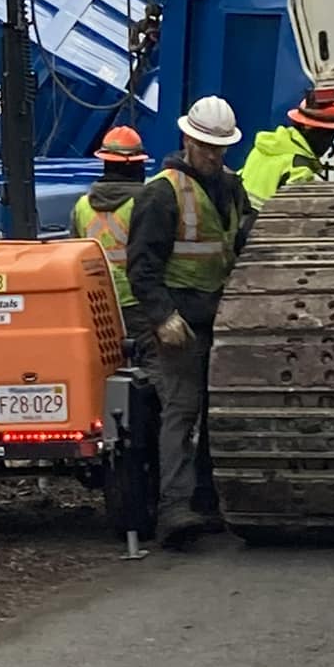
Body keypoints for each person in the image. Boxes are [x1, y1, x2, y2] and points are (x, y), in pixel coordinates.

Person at [126, 94, 252, 549]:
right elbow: (141, 267)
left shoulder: (232, 187)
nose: (213, 156)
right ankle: (175, 508)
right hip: (179, 316)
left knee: (215, 411)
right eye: (205, 147)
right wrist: (162, 317)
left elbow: (239, 239)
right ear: (187, 140)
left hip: (221, 313)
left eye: (219, 148)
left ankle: (207, 499)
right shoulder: (161, 193)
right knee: (181, 408)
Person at [70, 126, 148, 338]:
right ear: (137, 165)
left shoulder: (82, 205)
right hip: (137, 303)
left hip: (97, 303)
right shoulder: (144, 203)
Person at [239, 89, 334, 209]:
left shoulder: (263, 147)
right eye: (328, 133)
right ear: (310, 129)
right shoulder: (300, 170)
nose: (329, 141)